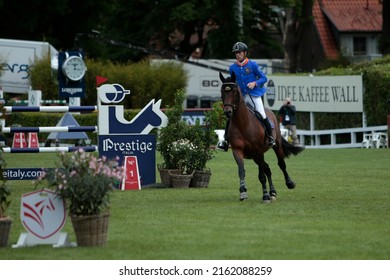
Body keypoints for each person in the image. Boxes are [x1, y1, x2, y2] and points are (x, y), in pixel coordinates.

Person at [217, 42, 275, 151]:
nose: (237, 55)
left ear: (245, 53)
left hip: (254, 94)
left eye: (239, 52)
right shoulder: (232, 67)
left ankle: (270, 136)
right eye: (236, 53)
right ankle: (225, 141)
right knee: (232, 115)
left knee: (261, 113)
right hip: (241, 96)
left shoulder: (253, 65)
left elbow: (264, 78)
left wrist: (255, 83)